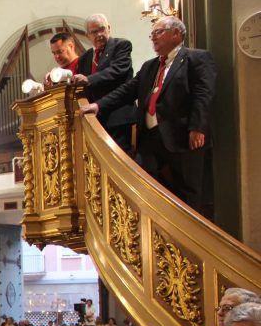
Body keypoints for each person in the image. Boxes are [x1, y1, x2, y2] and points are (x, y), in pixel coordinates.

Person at [83, 16, 217, 218]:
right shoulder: (150, 66)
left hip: (182, 137)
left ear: (176, 34)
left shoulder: (196, 58)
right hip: (150, 139)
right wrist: (98, 106)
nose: (153, 37)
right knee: (150, 190)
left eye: (158, 32)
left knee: (189, 194)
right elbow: (127, 91)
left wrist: (198, 127)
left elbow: (203, 95)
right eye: (152, 34)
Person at [73, 13, 136, 153]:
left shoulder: (122, 45)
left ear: (109, 28)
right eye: (94, 32)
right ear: (87, 35)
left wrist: (89, 79)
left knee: (118, 158)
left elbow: (117, 70)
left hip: (117, 116)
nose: (99, 34)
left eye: (102, 29)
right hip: (94, 119)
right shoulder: (85, 58)